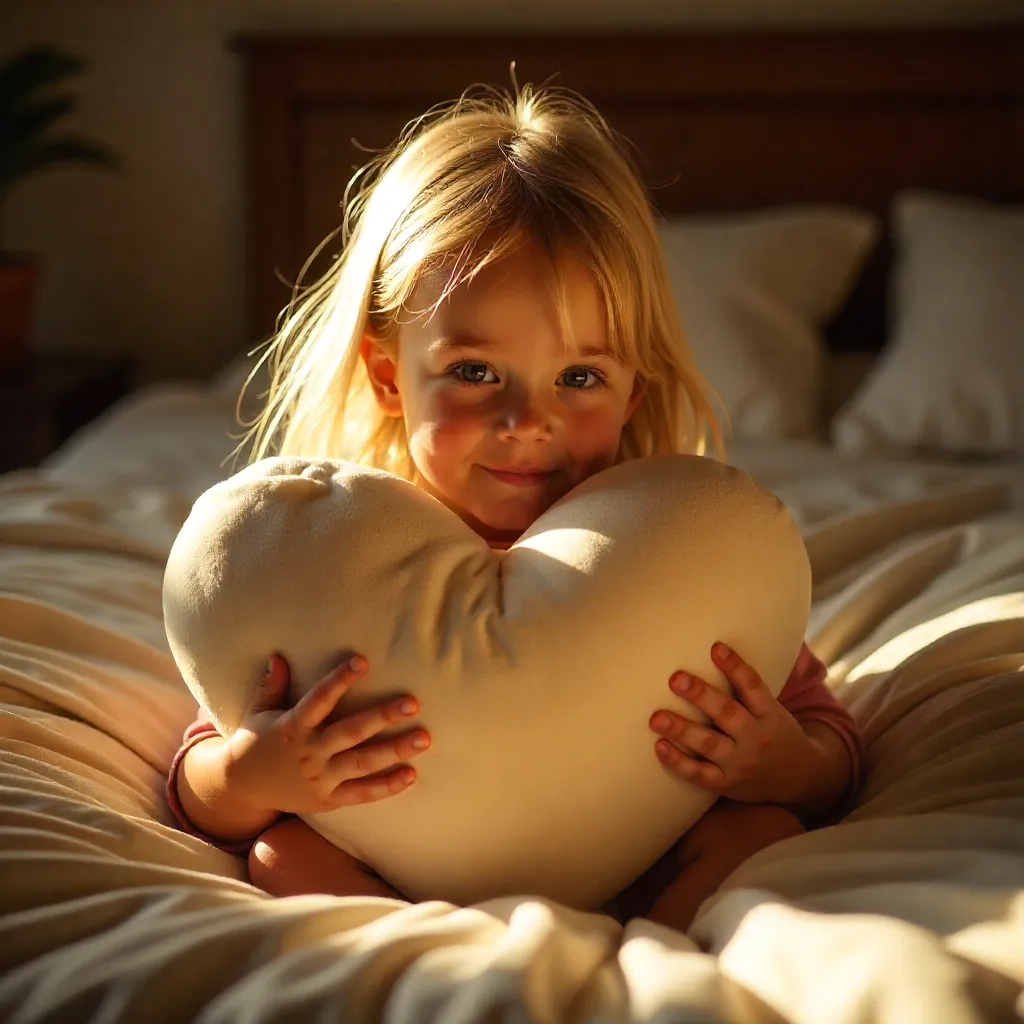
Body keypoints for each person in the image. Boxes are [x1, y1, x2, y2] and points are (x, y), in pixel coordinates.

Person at [166, 83, 862, 933]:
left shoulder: (678, 559)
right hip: (394, 871)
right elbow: (205, 759)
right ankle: (436, 969)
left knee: (762, 828)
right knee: (283, 853)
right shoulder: (334, 562)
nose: (529, 421)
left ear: (632, 386)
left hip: (639, 861)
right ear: (390, 374)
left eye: (579, 378)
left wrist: (789, 764)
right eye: (474, 371)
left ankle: (649, 967)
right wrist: (250, 779)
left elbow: (825, 736)